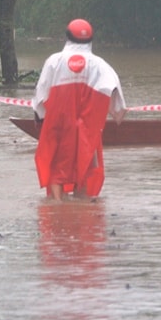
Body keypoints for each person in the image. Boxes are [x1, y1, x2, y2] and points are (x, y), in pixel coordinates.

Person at [31, 18, 126, 200]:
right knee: (85, 166)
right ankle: (80, 208)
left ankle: (57, 208)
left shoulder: (54, 61)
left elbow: (41, 92)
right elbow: (116, 94)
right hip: (87, 128)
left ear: (67, 37)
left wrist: (39, 116)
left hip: (59, 125)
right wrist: (116, 113)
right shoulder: (100, 65)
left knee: (57, 166)